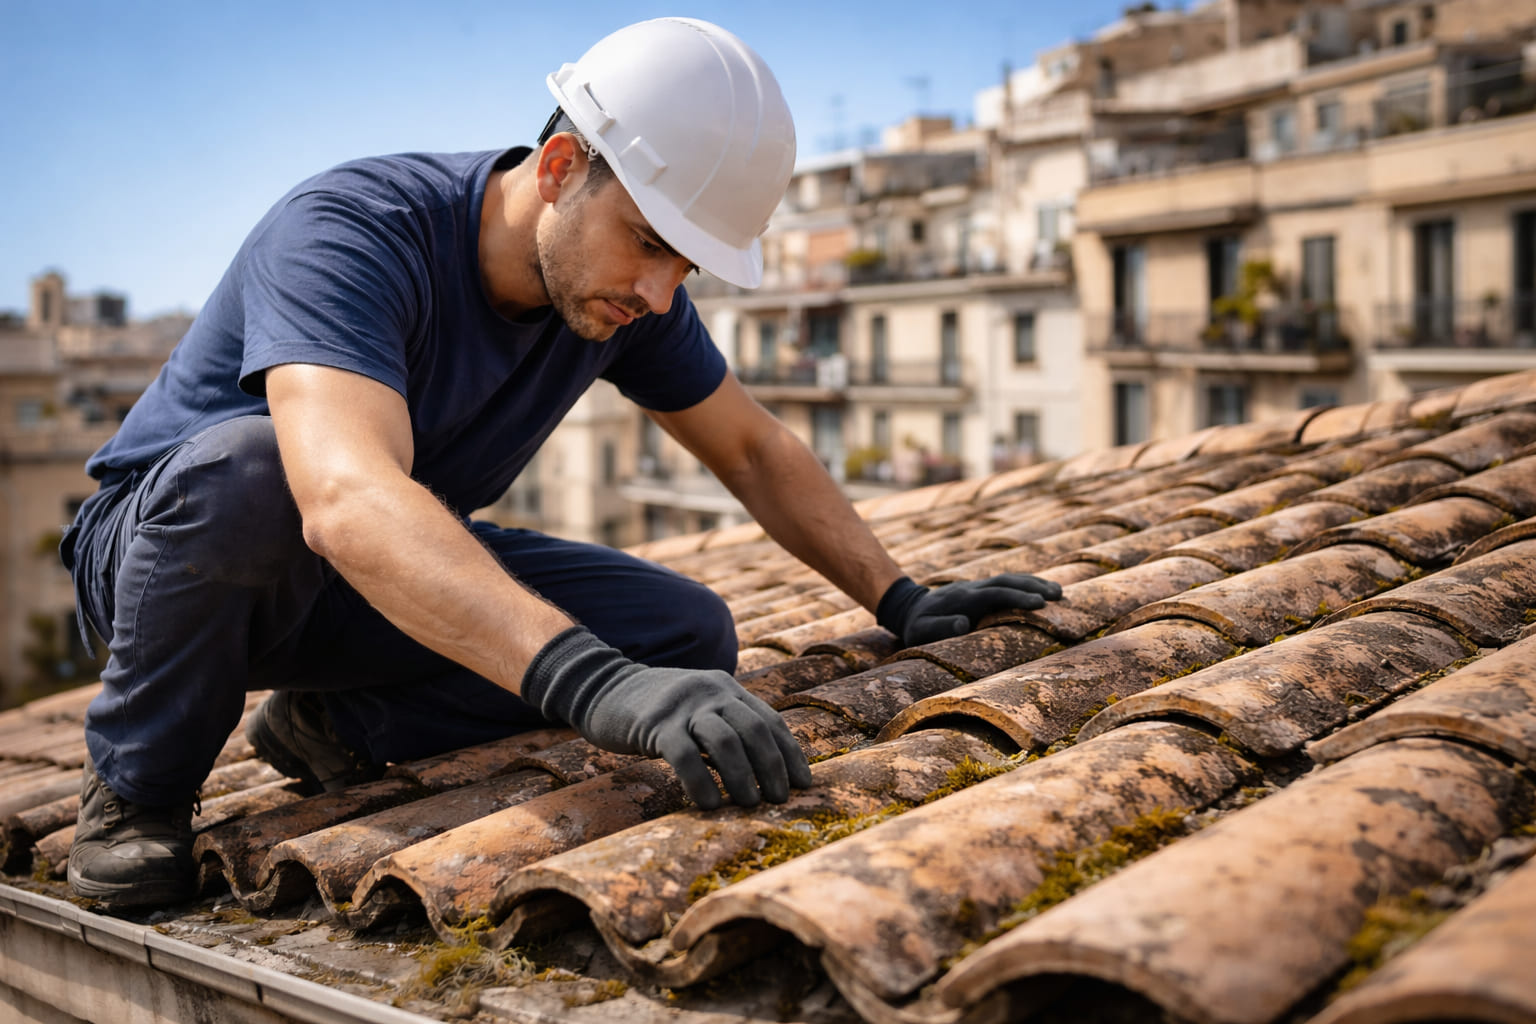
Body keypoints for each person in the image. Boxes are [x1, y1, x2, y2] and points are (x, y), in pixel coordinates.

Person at [59, 17, 1062, 911]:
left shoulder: (614, 294)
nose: (662, 292)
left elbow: (754, 447)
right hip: (173, 567)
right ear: (558, 167)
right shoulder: (351, 231)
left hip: (361, 585)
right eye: (648, 243)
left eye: (687, 264)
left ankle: (335, 723)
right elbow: (344, 498)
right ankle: (138, 782)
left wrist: (900, 597)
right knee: (256, 467)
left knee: (685, 633)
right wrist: (593, 687)